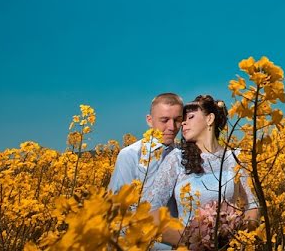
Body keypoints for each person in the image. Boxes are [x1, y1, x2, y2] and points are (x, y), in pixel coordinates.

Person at [145, 94, 259, 247]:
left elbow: (253, 206)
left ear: (209, 119)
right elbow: (151, 213)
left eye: (190, 117)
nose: (183, 123)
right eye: (183, 119)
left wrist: (234, 234)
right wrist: (193, 241)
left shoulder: (236, 158)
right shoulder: (176, 159)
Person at [108, 92, 184, 197]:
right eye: (164, 120)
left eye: (177, 120)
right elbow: (117, 200)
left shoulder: (184, 154)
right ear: (149, 120)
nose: (172, 127)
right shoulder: (130, 155)